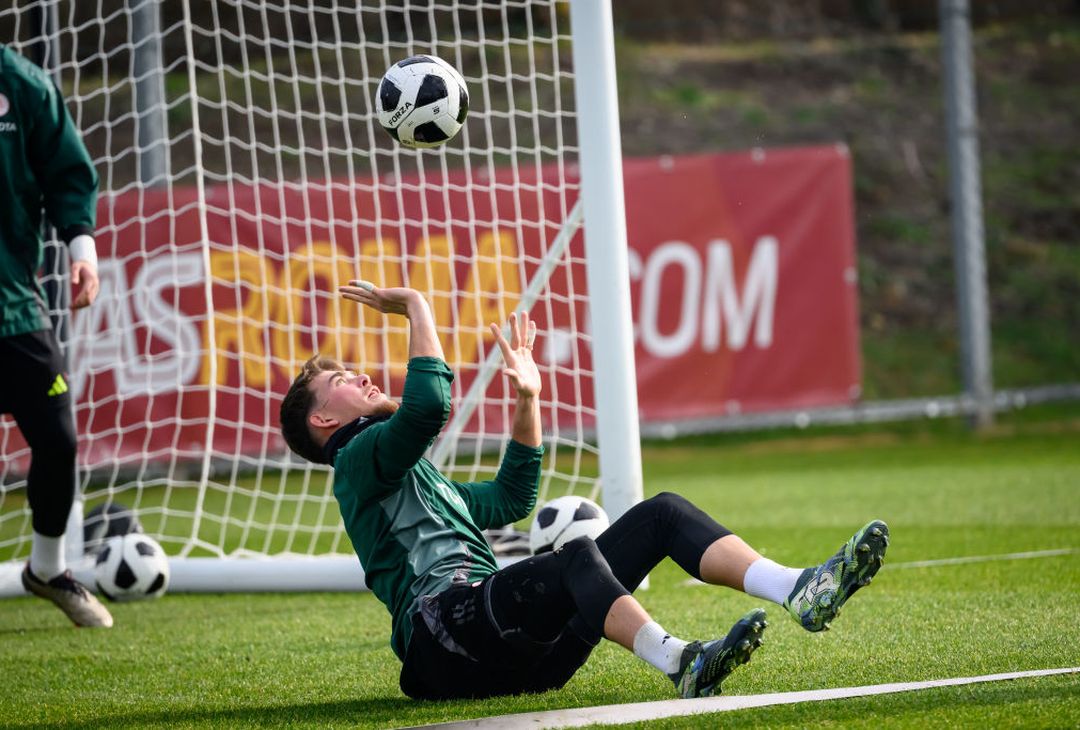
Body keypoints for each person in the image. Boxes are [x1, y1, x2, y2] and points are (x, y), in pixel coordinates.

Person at [279, 282, 889, 700]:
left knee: (662, 513)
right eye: (339, 380)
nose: (358, 375)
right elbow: (429, 404)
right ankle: (683, 662)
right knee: (574, 555)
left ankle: (798, 589)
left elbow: (513, 498)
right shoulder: (356, 461)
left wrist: (528, 398)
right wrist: (414, 305)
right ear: (323, 422)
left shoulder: (413, 481)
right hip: (442, 637)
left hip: (516, 651)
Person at [0, 45, 111, 627]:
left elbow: (68, 173)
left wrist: (83, 251)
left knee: (58, 434)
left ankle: (48, 568)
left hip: (12, 302)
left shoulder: (23, 85)